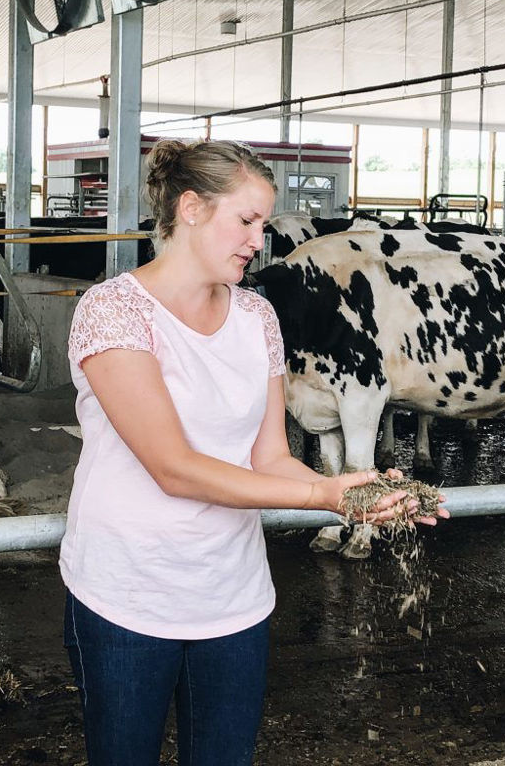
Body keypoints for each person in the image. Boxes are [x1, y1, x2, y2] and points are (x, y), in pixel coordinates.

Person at [60, 138, 448, 766]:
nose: (257, 240)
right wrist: (322, 494)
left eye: (262, 224)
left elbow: (269, 456)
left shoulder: (256, 317)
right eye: (246, 220)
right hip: (128, 594)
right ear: (190, 208)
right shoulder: (114, 311)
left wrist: (360, 493)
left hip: (234, 597)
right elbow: (173, 469)